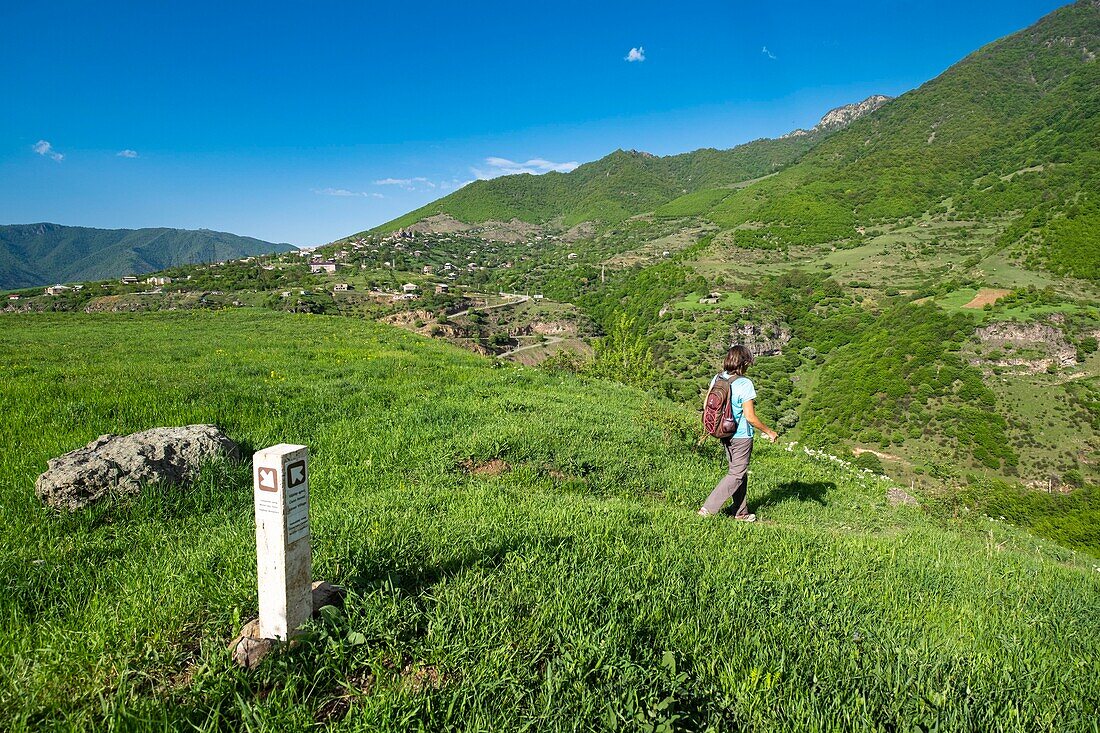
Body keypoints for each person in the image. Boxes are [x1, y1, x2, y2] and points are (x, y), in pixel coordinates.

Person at [699, 344, 778, 521]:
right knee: (736, 474)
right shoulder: (745, 383)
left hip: (723, 432)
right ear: (744, 363)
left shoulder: (718, 378)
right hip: (741, 435)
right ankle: (707, 509)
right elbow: (750, 417)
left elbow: (706, 406)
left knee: (738, 472)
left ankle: (740, 512)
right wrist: (769, 431)